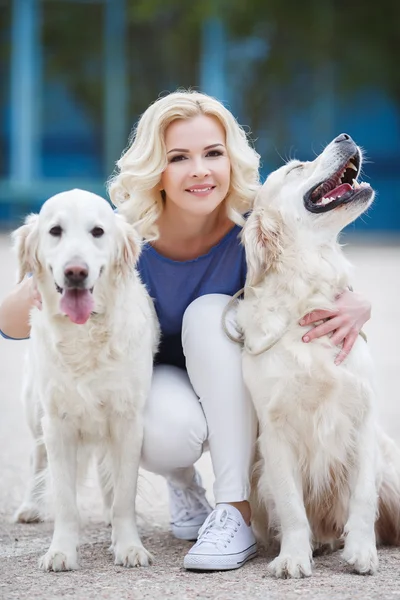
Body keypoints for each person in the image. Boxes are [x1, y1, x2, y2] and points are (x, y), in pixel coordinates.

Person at [0, 90, 371, 572]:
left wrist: (361, 302)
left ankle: (233, 508)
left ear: (231, 160)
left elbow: (316, 270)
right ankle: (184, 485)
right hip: (159, 393)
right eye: (179, 158)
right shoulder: (118, 234)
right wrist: (62, 274)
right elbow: (11, 322)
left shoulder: (255, 227)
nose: (199, 169)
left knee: (208, 314)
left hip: (237, 391)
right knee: (162, 429)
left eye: (212, 154)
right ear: (157, 169)